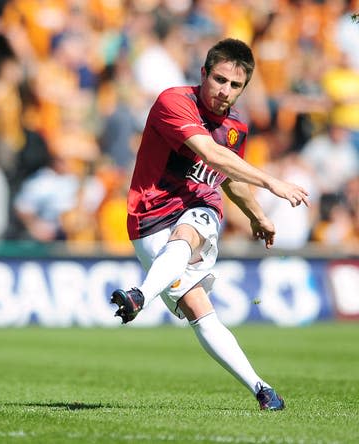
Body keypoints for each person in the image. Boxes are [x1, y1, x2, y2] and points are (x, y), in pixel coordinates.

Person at [110, 38, 310, 411]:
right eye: (219, 80)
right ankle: (262, 386)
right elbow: (210, 153)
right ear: (203, 74)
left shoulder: (236, 126)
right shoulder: (174, 101)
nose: (225, 91)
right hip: (149, 217)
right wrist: (272, 183)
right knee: (200, 310)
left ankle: (139, 295)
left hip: (199, 206)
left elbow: (229, 177)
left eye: (236, 86)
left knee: (192, 231)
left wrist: (258, 215)